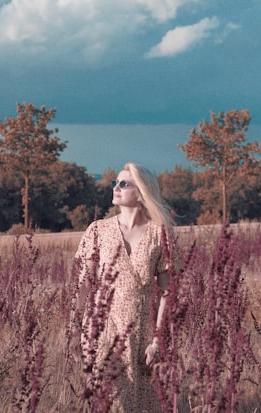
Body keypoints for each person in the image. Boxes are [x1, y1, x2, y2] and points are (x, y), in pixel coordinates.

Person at [70, 162, 177, 412]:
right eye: (114, 183)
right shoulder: (98, 230)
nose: (116, 187)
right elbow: (83, 285)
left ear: (140, 193)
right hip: (100, 328)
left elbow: (167, 293)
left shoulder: (159, 234)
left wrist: (157, 342)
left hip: (141, 334)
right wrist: (74, 330)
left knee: (140, 404)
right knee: (110, 401)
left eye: (123, 184)